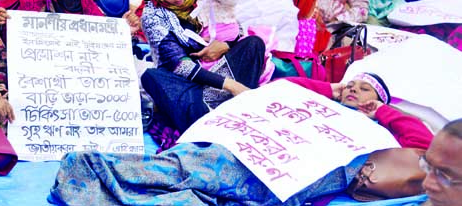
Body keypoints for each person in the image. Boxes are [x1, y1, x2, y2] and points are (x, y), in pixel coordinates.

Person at [50, 72, 432, 206]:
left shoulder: (381, 127)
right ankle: (95, 169)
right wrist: (332, 90)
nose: (353, 89)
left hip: (292, 175)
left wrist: (378, 109)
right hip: (245, 152)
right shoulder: (319, 101)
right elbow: (283, 89)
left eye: (363, 87)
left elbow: (421, 141)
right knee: (197, 168)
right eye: (350, 82)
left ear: (379, 98)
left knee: (208, 189)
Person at [139, 0, 267, 133]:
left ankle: (238, 101)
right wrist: (231, 85)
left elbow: (233, 25)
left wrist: (225, 45)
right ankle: (211, 115)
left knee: (254, 43)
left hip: (218, 66)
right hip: (188, 85)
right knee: (151, 76)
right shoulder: (152, 15)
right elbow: (179, 65)